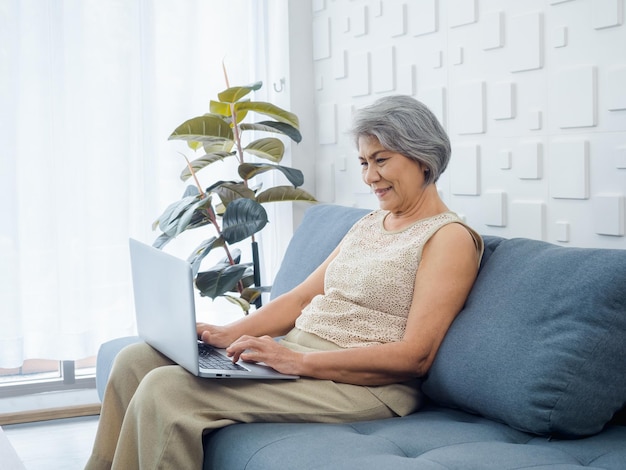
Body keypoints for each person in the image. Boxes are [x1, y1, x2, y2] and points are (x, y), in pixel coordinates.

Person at [85, 95, 484, 469]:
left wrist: (298, 362)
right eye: (363, 162)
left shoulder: (447, 238)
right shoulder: (369, 224)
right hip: (299, 357)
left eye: (381, 160)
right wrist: (227, 333)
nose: (369, 176)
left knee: (167, 391)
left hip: (364, 383)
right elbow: (299, 300)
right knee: (135, 360)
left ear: (423, 158)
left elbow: (415, 355)